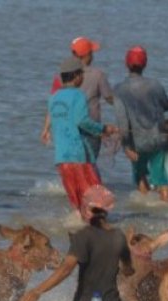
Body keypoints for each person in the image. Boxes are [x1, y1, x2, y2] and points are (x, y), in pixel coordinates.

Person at [47, 56, 117, 215]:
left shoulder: (53, 98)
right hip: (79, 156)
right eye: (82, 74)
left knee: (78, 204)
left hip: (61, 159)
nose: (83, 77)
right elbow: (82, 122)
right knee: (99, 202)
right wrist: (104, 129)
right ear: (77, 76)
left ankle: (79, 230)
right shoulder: (78, 95)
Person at [113, 45, 168, 203]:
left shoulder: (119, 89)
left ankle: (146, 212)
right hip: (159, 141)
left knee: (140, 177)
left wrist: (126, 147)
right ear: (145, 64)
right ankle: (167, 215)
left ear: (126, 64)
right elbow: (165, 105)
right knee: (164, 184)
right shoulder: (155, 85)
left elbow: (122, 121)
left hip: (137, 144)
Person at [42, 36, 114, 167]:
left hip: (69, 129)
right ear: (87, 55)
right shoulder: (98, 75)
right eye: (91, 53)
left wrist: (46, 128)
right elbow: (110, 99)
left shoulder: (62, 76)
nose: (93, 56)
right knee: (89, 166)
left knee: (72, 165)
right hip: (91, 128)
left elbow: (54, 104)